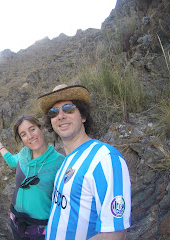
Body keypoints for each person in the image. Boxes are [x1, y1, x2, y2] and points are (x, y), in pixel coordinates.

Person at [37, 84, 131, 240]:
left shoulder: (105, 159)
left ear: (83, 116)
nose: (60, 116)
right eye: (53, 112)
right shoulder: (67, 161)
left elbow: (115, 234)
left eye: (68, 109)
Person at [0, 116, 65, 240]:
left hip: (41, 230)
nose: (30, 136)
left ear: (42, 129)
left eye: (32, 129)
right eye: (23, 134)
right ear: (22, 139)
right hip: (16, 221)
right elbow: (11, 161)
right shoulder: (24, 154)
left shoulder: (60, 162)